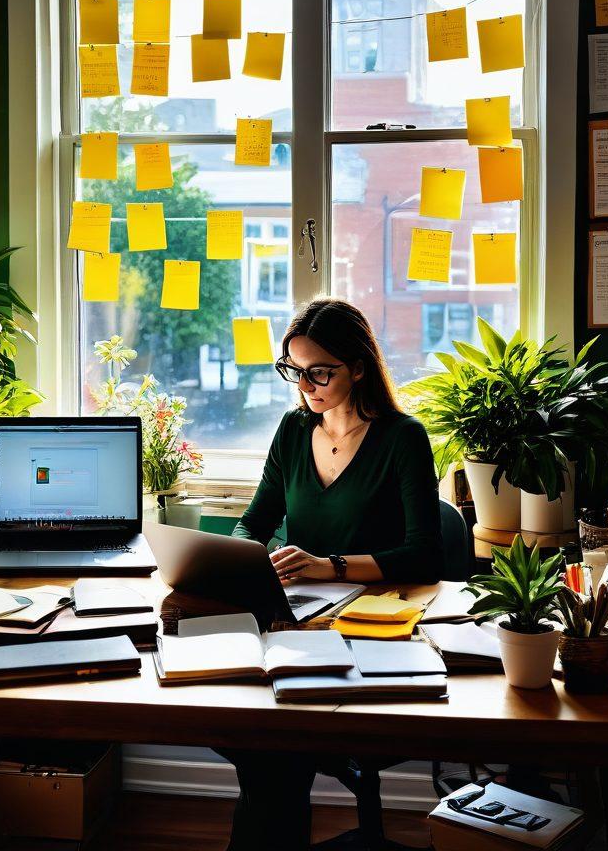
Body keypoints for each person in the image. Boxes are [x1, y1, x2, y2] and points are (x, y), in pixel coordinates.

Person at [219, 297, 443, 851]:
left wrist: (331, 566)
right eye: (294, 371)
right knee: (253, 733)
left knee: (270, 750)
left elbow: (423, 555)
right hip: (299, 625)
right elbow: (255, 520)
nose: (305, 386)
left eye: (320, 372)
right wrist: (242, 555)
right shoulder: (294, 431)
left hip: (373, 630)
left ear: (359, 366)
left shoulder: (402, 438)